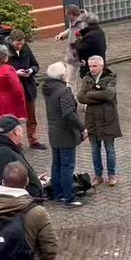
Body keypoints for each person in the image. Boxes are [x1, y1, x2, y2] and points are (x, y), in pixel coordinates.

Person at [42, 63, 85, 207]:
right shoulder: (64, 91)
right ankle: (69, 197)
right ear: (61, 75)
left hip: (54, 133)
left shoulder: (48, 89)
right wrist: (82, 128)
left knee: (57, 164)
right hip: (65, 134)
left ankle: (58, 193)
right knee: (67, 165)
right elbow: (68, 113)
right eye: (65, 72)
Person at [77, 56, 121, 187]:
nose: (92, 69)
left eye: (94, 66)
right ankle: (98, 175)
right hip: (92, 119)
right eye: (90, 66)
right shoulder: (86, 79)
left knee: (110, 149)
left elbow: (109, 95)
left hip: (108, 119)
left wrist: (90, 94)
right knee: (95, 150)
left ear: (102, 66)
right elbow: (80, 97)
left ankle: (112, 175)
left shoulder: (110, 78)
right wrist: (98, 96)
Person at [0, 116, 44, 201]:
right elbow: (6, 188)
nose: (22, 134)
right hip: (16, 208)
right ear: (16, 132)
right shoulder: (4, 154)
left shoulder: (0, 148)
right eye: (21, 130)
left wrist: (34, 180)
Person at [7, 31, 46, 150]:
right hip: (14, 89)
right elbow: (3, 70)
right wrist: (15, 73)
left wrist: (31, 71)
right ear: (12, 41)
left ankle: (33, 140)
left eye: (21, 44)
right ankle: (15, 142)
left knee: (31, 116)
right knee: (15, 117)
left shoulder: (26, 49)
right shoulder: (5, 51)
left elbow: (35, 65)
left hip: (28, 86)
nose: (19, 46)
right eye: (17, 44)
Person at [0, 45, 28, 126]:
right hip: (7, 101)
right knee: (8, 126)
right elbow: (17, 90)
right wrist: (21, 109)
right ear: (4, 56)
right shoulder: (8, 69)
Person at [74, 14, 107, 79]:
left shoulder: (90, 36)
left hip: (91, 65)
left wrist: (77, 40)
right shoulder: (98, 31)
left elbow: (80, 48)